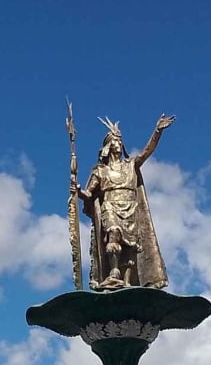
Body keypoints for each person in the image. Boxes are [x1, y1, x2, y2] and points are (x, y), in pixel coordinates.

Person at [73, 115, 175, 289]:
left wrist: (157, 131)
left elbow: (146, 152)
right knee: (113, 232)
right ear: (107, 146)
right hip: (110, 206)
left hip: (130, 206)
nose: (119, 143)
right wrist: (78, 191)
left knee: (130, 247)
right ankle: (113, 273)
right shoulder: (100, 171)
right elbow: (88, 194)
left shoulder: (130, 165)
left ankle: (127, 282)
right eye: (115, 140)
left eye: (120, 141)